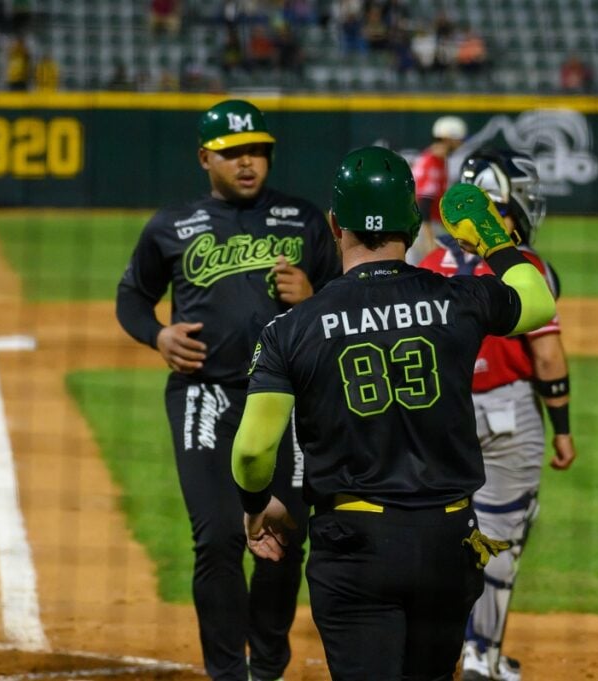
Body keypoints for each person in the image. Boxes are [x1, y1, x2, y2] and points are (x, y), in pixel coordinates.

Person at [230, 146, 558, 680]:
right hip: (448, 543)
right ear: (413, 221)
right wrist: (492, 237)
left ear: (335, 223)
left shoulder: (291, 329)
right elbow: (537, 302)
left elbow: (251, 450)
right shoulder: (459, 299)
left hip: (356, 548)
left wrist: (254, 506)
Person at [115, 99, 341, 681]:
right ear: (204, 158)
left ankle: (266, 666)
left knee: (284, 539)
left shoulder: (304, 219)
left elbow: (347, 303)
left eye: (257, 152)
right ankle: (226, 674)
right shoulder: (171, 225)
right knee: (217, 538)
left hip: (287, 401)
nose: (247, 164)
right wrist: (158, 335)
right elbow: (132, 296)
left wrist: (315, 294)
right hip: (204, 397)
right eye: (233, 153)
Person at [418, 149, 578, 681]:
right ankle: (481, 655)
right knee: (501, 535)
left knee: (443, 533)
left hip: (439, 419)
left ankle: (437, 650)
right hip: (508, 415)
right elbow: (548, 356)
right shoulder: (523, 266)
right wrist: (563, 430)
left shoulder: (426, 266)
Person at [409, 114, 468, 264]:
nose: (460, 144)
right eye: (458, 139)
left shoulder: (433, 158)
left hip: (421, 223)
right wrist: (430, 242)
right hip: (424, 226)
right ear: (448, 139)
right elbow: (424, 204)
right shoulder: (432, 161)